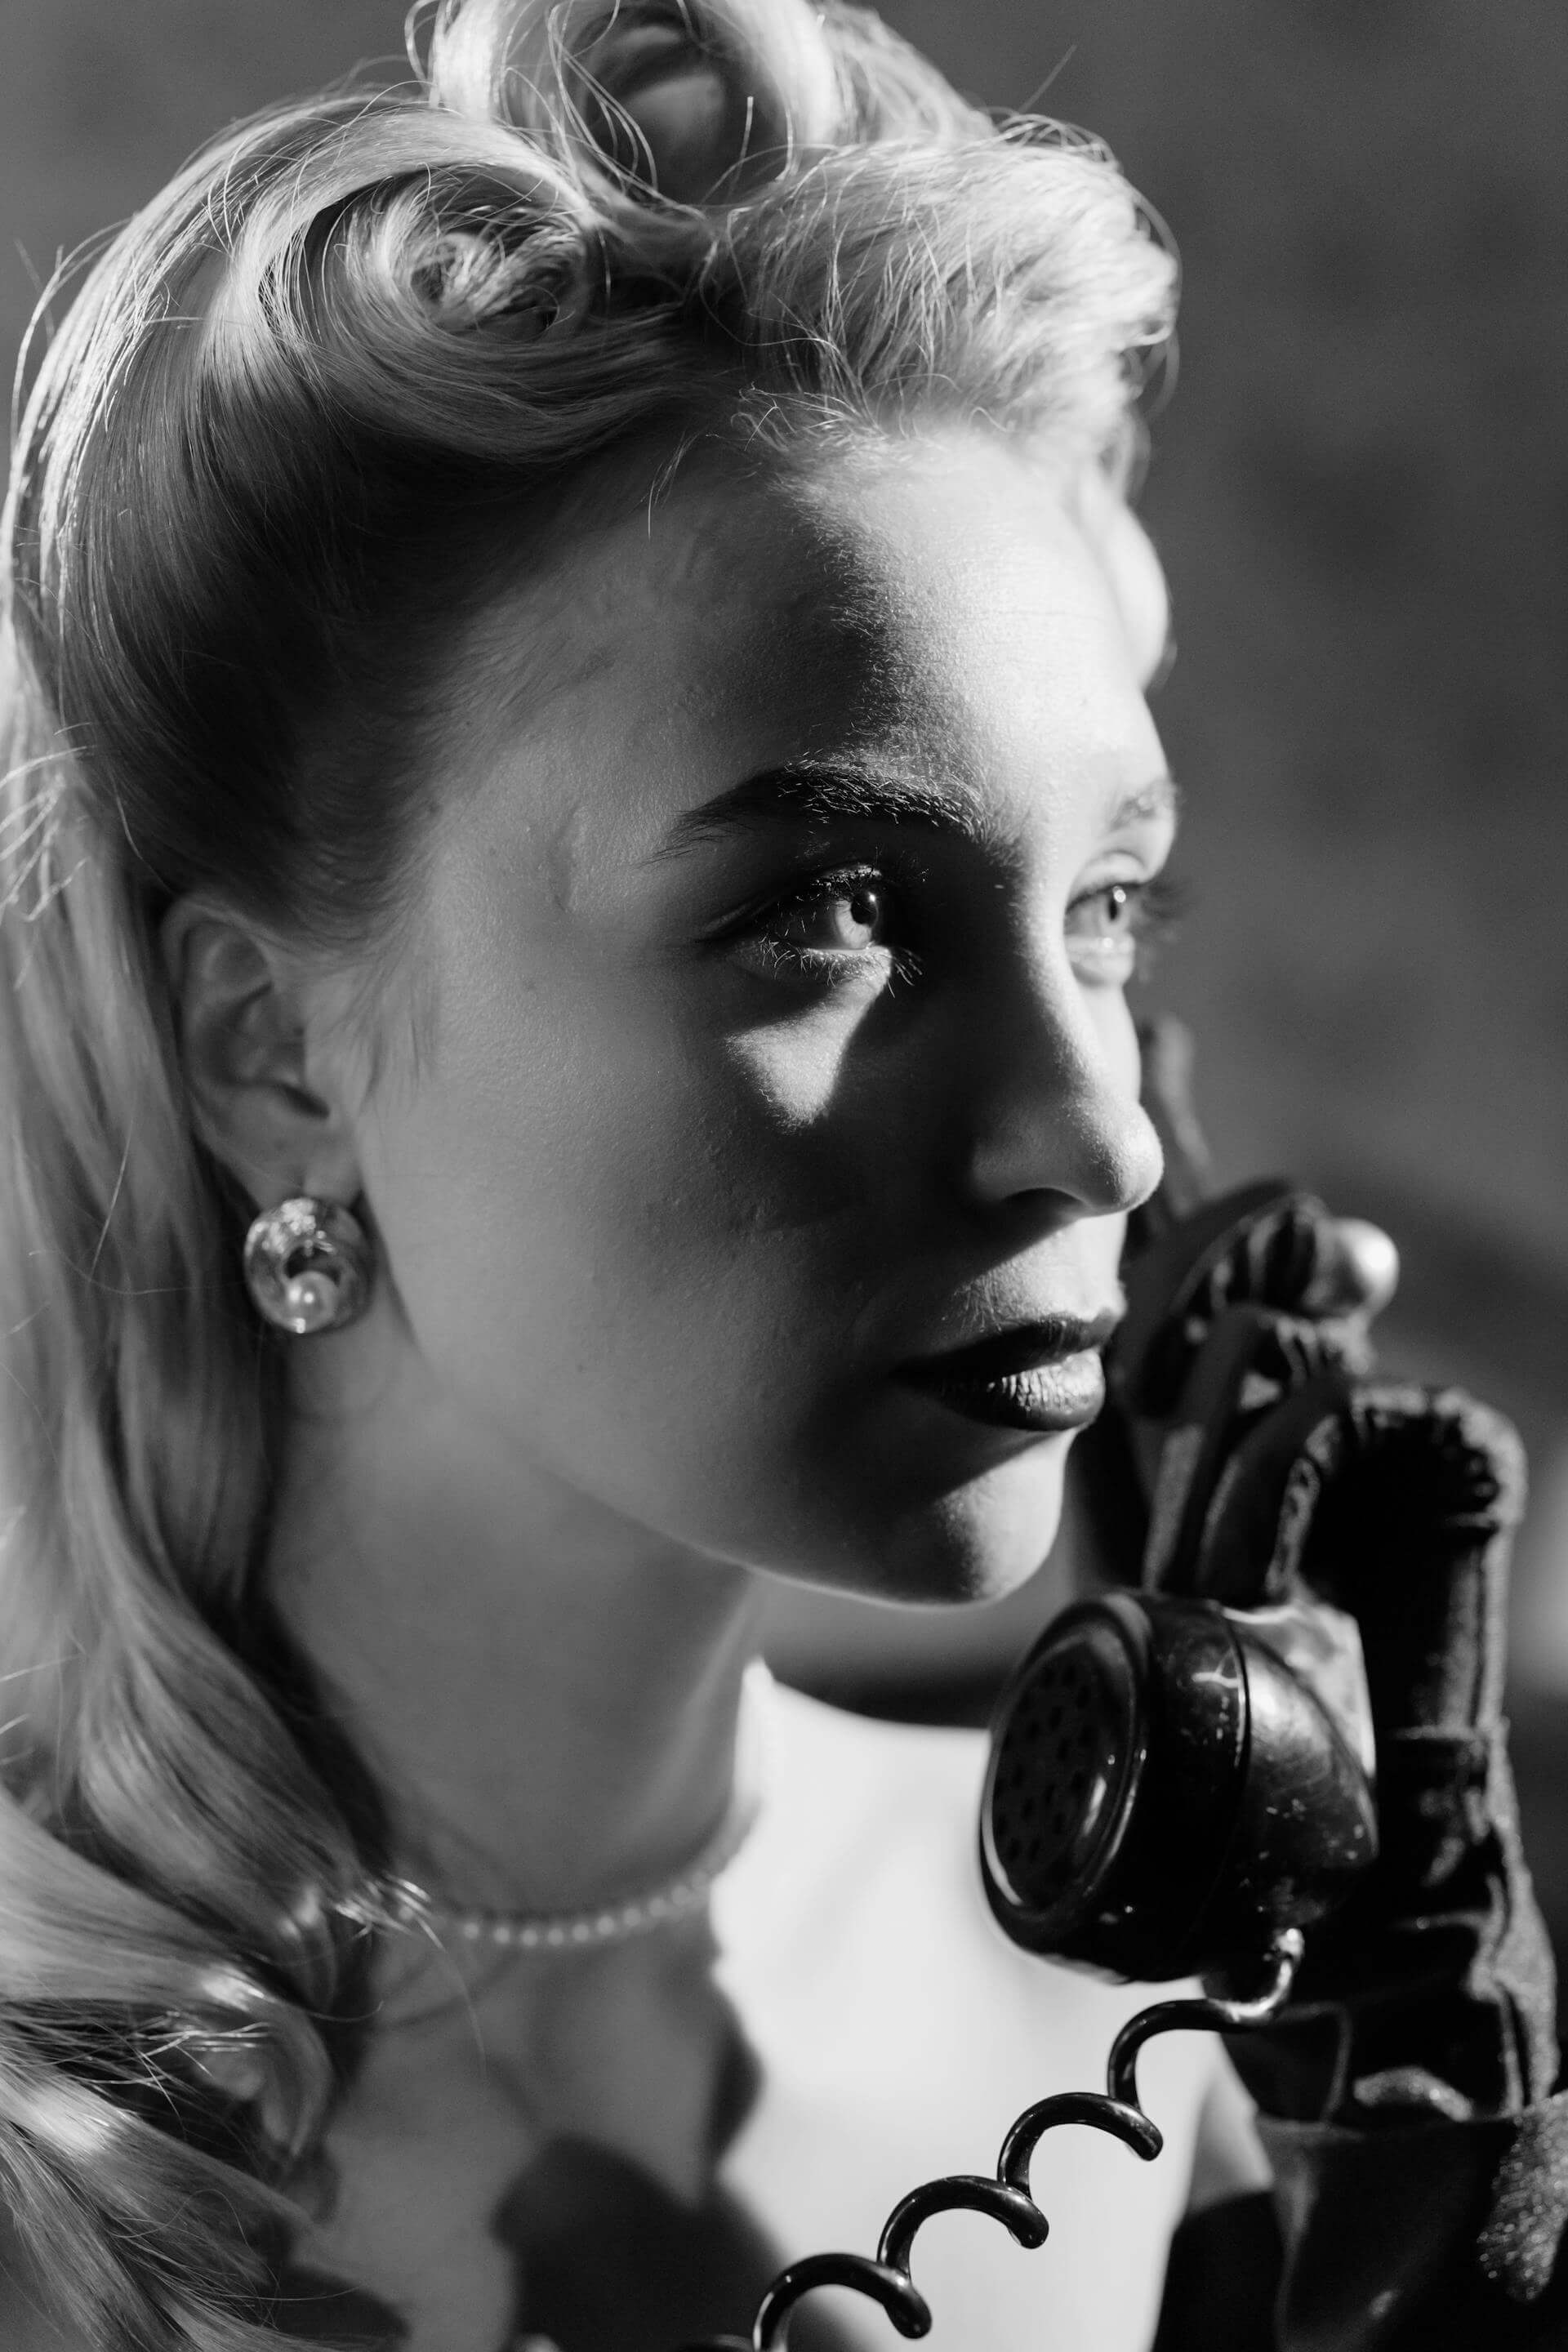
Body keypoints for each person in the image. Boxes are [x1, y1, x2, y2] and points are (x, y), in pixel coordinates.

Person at [0, 5, 1561, 2349]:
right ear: (270, 1053)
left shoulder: (1200, 2054)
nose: (1105, 1123)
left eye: (1107, 914)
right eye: (835, 907)